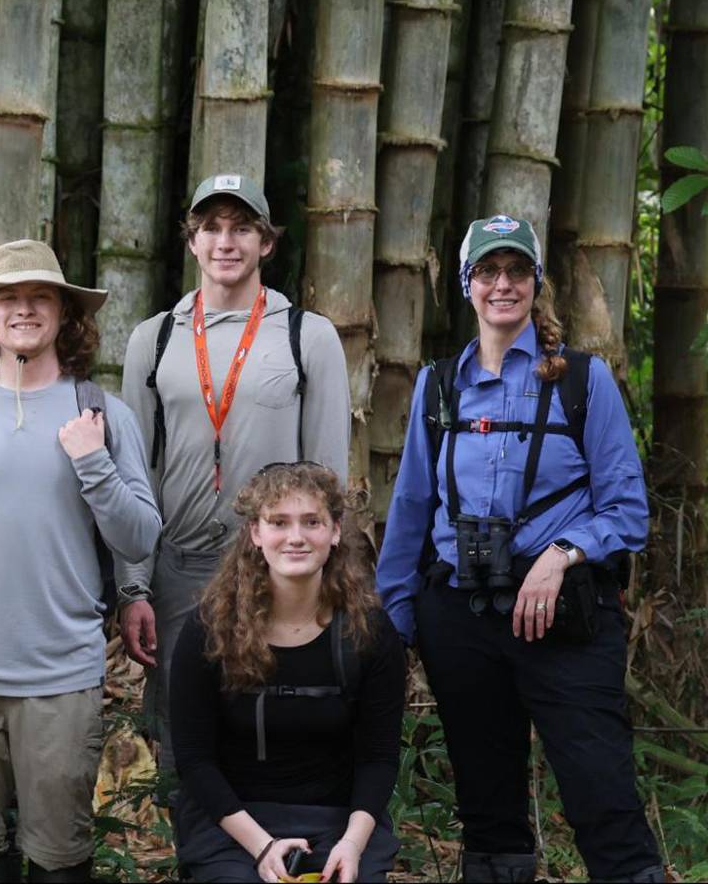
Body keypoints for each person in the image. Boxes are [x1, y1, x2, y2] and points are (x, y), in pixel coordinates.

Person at [377, 216, 666, 883]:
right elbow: (412, 509)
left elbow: (626, 511)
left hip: (561, 614)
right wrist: (395, 621)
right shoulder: (438, 385)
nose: (502, 284)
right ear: (466, 284)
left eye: (516, 271)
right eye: (487, 271)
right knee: (486, 801)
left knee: (599, 785)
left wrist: (561, 553)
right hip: (460, 613)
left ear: (537, 283)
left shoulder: (581, 380)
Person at [0, 239, 161, 883]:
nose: (24, 309)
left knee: (59, 863)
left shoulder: (101, 414)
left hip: (61, 679)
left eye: (40, 297)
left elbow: (139, 538)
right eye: (8, 298)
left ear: (65, 314)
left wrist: (93, 462)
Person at [118, 174, 350, 783]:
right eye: (212, 228)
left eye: (242, 228)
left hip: (278, 569)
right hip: (182, 567)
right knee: (184, 734)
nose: (226, 242)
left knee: (275, 727)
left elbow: (328, 476)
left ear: (266, 243)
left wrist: (326, 578)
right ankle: (191, 835)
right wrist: (134, 587)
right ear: (191, 242)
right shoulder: (153, 339)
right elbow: (137, 475)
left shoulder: (307, 336)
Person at [169, 461, 403, 883]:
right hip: (234, 824)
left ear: (335, 531)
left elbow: (379, 757)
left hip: (338, 820)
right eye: (279, 522)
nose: (296, 537)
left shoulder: (368, 631)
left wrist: (352, 844)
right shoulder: (209, 628)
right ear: (256, 534)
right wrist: (263, 847)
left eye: (312, 522)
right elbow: (194, 758)